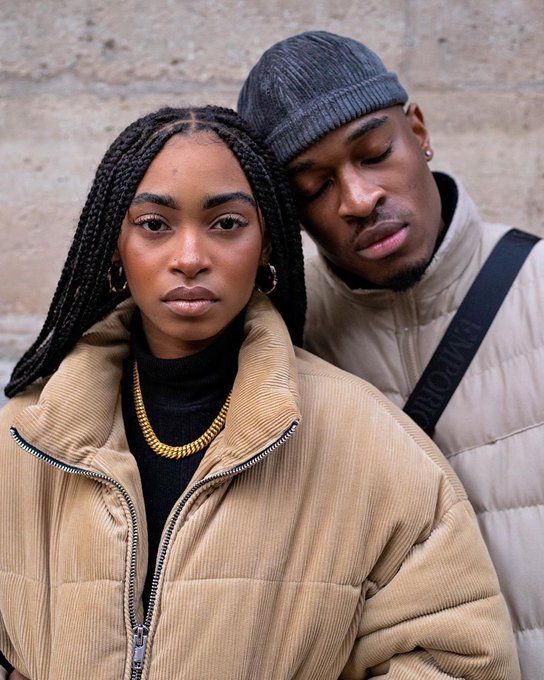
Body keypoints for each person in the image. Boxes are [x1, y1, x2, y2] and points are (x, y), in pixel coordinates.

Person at [0, 106, 519, 680]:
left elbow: (459, 659)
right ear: (115, 247)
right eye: (154, 225)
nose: (190, 258)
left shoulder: (372, 441)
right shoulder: (25, 439)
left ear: (267, 243)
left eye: (226, 224)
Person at [238, 30, 544, 678]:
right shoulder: (283, 348)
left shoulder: (538, 288)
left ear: (420, 131)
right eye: (314, 188)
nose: (357, 199)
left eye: (374, 153)